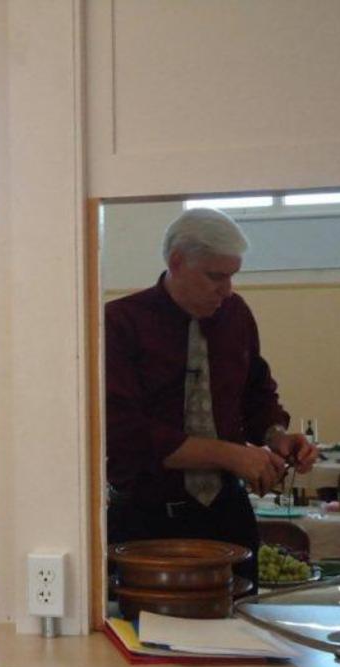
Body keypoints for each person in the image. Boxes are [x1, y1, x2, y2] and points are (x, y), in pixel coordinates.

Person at [105, 208, 319, 580]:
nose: (227, 290)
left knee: (243, 611)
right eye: (215, 276)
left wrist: (277, 437)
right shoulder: (120, 323)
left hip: (227, 514)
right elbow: (127, 434)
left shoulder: (236, 315)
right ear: (176, 262)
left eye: (232, 276)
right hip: (147, 518)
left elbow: (256, 392)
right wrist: (231, 455)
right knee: (148, 617)